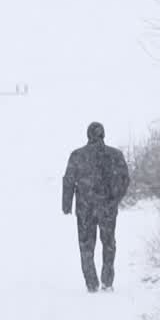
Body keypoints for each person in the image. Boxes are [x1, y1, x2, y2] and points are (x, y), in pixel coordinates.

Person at [62, 121, 130, 292]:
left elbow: (68, 180)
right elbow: (125, 179)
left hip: (85, 209)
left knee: (86, 245)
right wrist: (116, 199)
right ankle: (107, 281)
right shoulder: (115, 155)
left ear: (88, 135)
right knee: (108, 243)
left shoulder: (77, 155)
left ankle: (91, 284)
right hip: (107, 207)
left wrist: (67, 204)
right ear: (103, 134)